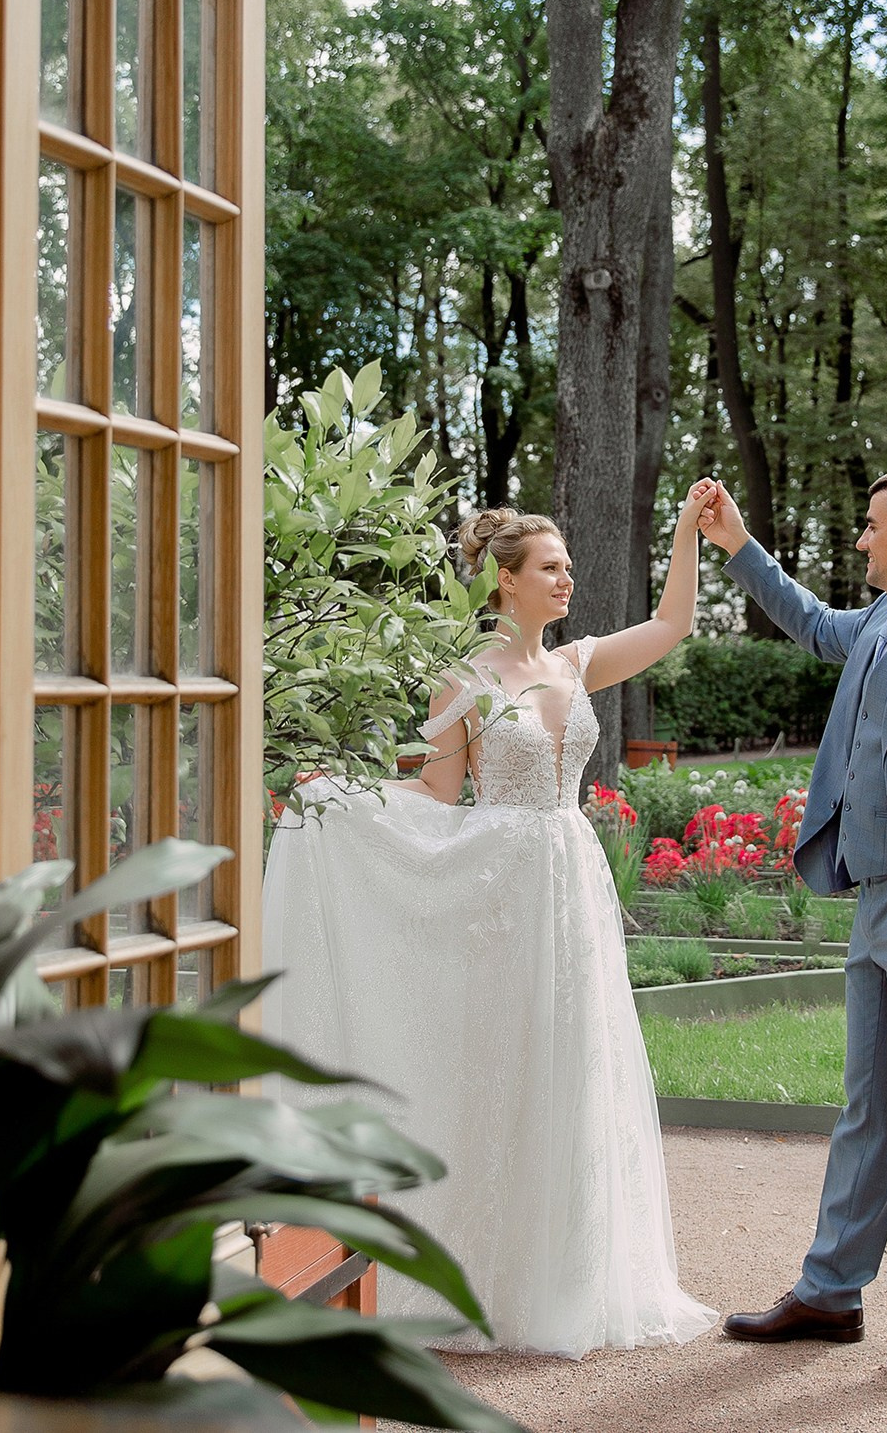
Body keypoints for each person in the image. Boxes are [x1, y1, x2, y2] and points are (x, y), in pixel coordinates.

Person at [262, 484, 723, 1356]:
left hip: (573, 881)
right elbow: (439, 788)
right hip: (500, 896)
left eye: (570, 569)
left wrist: (683, 534)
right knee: (502, 1065)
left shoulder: (578, 662)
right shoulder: (464, 677)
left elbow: (672, 625)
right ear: (505, 582)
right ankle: (484, 1272)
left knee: (575, 1059)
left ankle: (568, 1276)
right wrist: (339, 791)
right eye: (552, 568)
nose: (567, 582)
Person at [700, 469, 887, 1378]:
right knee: (869, 1108)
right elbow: (808, 621)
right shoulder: (878, 623)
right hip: (871, 901)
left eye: (873, 527)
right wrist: (739, 547)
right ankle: (832, 1291)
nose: (862, 540)